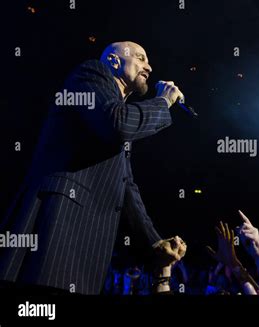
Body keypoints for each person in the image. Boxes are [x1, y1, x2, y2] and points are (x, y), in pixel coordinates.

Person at [0, 41, 186, 294]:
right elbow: (117, 123)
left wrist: (155, 243)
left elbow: (126, 186)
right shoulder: (91, 73)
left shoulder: (116, 121)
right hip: (56, 226)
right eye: (141, 58)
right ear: (114, 61)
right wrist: (163, 102)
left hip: (86, 244)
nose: (149, 67)